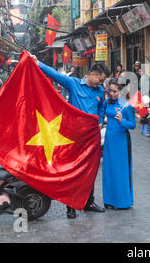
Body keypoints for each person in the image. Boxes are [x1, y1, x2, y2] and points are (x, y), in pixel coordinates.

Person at [30, 53, 109, 218]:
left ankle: (88, 202)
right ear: (93, 74)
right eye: (100, 79)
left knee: (90, 169)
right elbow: (55, 75)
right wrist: (38, 63)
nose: (101, 83)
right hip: (74, 136)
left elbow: (101, 107)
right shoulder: (74, 84)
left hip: (92, 135)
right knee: (73, 169)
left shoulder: (99, 90)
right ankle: (70, 206)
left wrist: (100, 120)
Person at [101, 78, 136, 210]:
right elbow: (101, 112)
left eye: (115, 91)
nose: (112, 94)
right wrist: (99, 120)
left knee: (120, 170)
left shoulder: (126, 105)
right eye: (110, 91)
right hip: (109, 139)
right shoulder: (107, 102)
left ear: (120, 91)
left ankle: (122, 201)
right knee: (109, 170)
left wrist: (122, 121)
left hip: (121, 140)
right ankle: (109, 200)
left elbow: (132, 125)